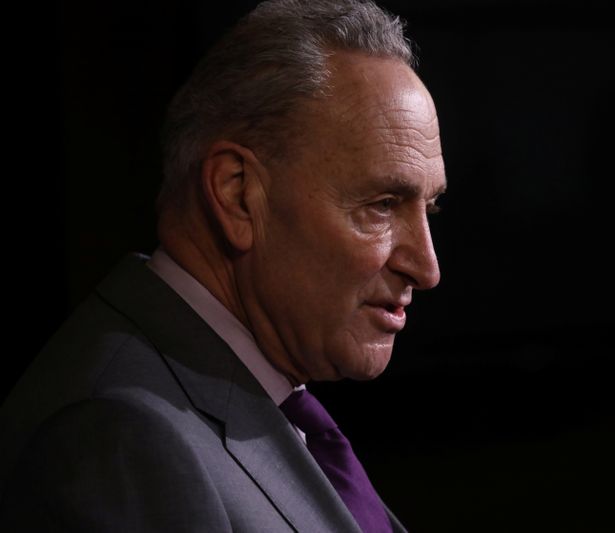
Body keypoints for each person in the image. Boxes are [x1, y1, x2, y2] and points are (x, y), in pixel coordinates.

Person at [0, 0, 445, 531]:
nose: (426, 266)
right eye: (382, 205)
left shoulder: (243, 397)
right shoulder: (119, 436)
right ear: (237, 194)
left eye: (430, 208)